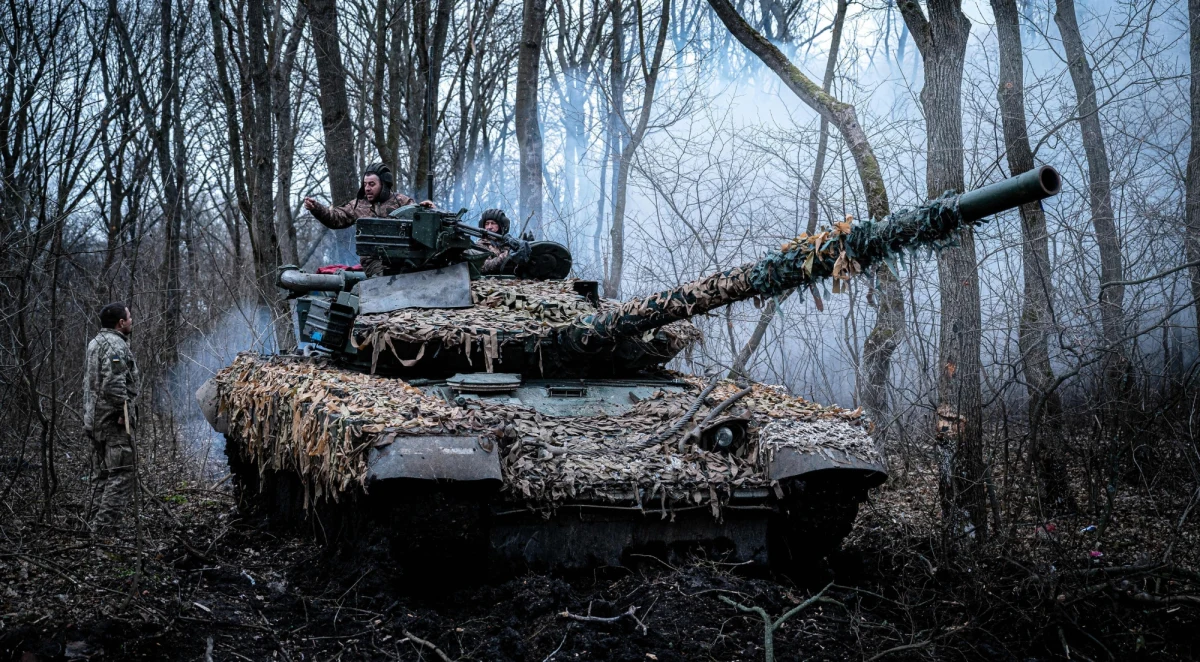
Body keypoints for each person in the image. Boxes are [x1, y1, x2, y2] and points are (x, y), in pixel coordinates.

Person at [303, 163, 434, 276]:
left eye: (372, 184)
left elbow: (422, 222)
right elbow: (335, 218)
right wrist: (316, 208)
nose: (367, 188)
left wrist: (429, 209)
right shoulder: (358, 205)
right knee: (384, 280)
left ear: (384, 184)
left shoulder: (402, 202)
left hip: (403, 258)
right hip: (374, 261)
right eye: (365, 184)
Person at [83, 302, 141, 537]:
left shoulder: (95, 342)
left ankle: (91, 529)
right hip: (111, 422)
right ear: (121, 323)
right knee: (122, 472)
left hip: (94, 420)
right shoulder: (115, 345)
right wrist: (122, 412)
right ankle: (104, 533)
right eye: (129, 317)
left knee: (103, 475)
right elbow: (114, 383)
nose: (131, 321)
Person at [477, 208, 513, 274]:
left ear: (500, 225)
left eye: (493, 223)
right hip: (491, 281)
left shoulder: (508, 242)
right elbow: (483, 266)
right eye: (487, 224)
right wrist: (506, 256)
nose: (489, 227)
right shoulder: (482, 244)